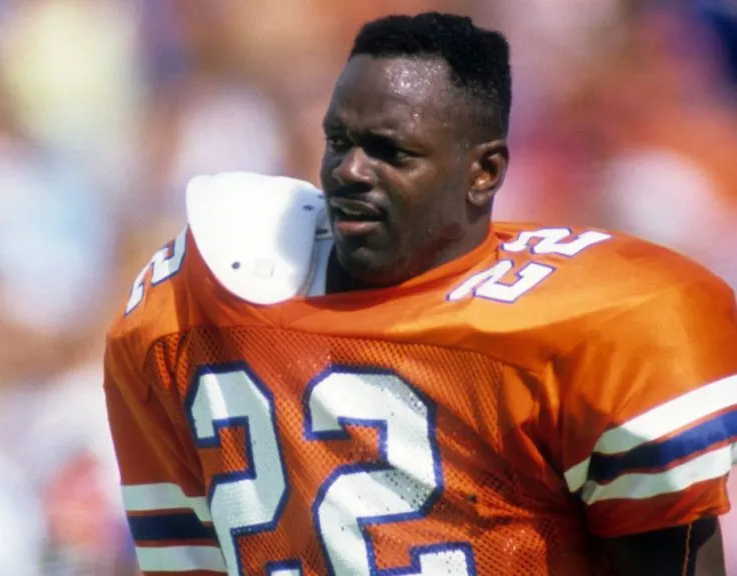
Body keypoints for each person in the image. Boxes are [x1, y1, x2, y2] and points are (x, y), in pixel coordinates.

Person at [103, 12, 737, 576]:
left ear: (483, 173)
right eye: (339, 141)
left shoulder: (602, 324)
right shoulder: (204, 290)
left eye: (390, 151)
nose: (349, 171)